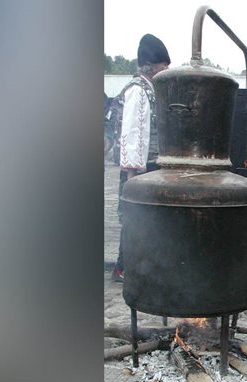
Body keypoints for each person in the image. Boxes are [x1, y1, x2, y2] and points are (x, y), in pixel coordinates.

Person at [111, 34, 170, 282]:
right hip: (139, 170)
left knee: (148, 220)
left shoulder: (151, 90)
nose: (166, 70)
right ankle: (125, 268)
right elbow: (133, 132)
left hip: (150, 168)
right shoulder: (138, 90)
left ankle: (139, 265)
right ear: (151, 66)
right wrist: (134, 174)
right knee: (136, 219)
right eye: (163, 66)